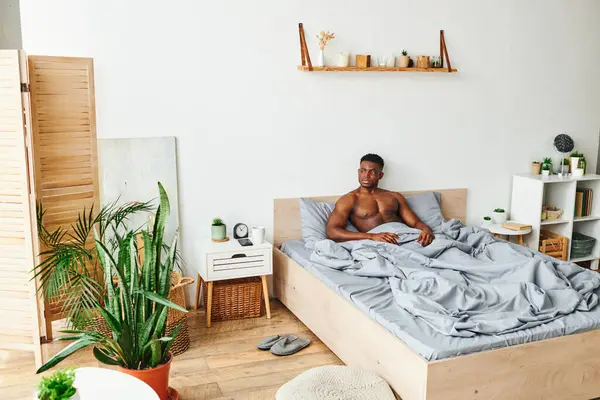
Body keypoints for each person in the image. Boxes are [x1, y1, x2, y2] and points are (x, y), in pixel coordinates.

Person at [326, 153, 435, 246]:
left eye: (372, 172)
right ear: (358, 172)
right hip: (378, 243)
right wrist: (371, 236)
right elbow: (332, 232)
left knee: (443, 246)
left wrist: (425, 229)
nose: (366, 176)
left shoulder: (394, 196)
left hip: (404, 237)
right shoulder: (349, 199)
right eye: (363, 171)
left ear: (380, 175)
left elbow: (415, 222)